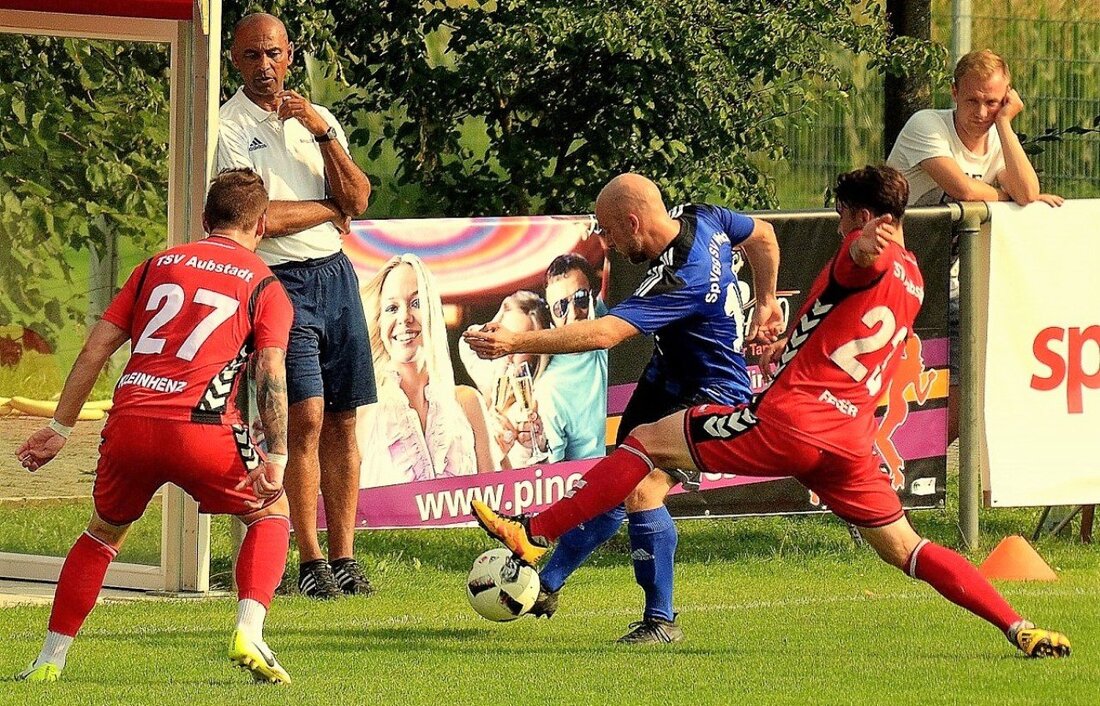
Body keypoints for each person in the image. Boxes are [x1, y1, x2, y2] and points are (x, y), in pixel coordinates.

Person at [472, 166, 1071, 659]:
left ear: (865, 219)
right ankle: (1020, 627)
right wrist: (772, 316)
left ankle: (534, 535)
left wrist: (860, 250)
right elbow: (827, 312)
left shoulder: (857, 254)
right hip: (848, 441)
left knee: (645, 452)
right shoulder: (913, 277)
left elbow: (857, 260)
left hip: (787, 420)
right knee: (906, 550)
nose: (838, 227)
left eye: (842, 217)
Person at [464, 173, 782, 643]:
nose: (606, 241)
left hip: (710, 392)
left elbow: (605, 333)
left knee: (643, 490)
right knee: (613, 487)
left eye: (609, 232)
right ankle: (546, 582)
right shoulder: (704, 217)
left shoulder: (683, 278)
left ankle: (660, 621)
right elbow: (764, 234)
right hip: (667, 378)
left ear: (634, 222)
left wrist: (514, 341)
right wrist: (768, 299)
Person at [14, 169, 298, 683]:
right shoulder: (265, 285)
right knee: (271, 513)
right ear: (261, 225)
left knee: (102, 534)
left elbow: (97, 346)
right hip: (202, 429)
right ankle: (249, 631)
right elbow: (270, 370)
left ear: (205, 218)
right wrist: (277, 456)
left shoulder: (154, 267)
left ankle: (48, 661)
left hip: (130, 424)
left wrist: (59, 427)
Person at [215, 13, 376, 599]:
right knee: (303, 418)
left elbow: (359, 196)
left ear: (290, 55)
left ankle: (345, 557)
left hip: (336, 276)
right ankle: (308, 563)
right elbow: (261, 221)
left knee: (344, 418)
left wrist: (321, 130)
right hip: (279, 281)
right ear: (236, 60)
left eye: (274, 55)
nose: (265, 67)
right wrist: (331, 211)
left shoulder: (318, 118)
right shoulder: (229, 126)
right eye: (253, 56)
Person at [886, 48, 1063, 444]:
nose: (981, 111)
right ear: (953, 93)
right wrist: (1006, 195)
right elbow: (964, 189)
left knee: (970, 375)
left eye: (993, 102)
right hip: (890, 269)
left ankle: (918, 461)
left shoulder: (997, 137)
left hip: (945, 274)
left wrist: (1006, 126)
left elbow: (1028, 190)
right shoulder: (926, 125)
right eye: (972, 100)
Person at [358, 254, 496, 486]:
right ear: (379, 321)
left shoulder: (469, 403)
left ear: (433, 311)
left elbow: (497, 504)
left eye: (416, 303)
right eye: (392, 308)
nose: (404, 317)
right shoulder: (361, 415)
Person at [460, 291, 555, 469]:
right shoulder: (492, 375)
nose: (507, 349)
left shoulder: (532, 407)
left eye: (517, 342)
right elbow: (465, 342)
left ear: (536, 354)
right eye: (503, 334)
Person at [534, 254, 610, 462]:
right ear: (551, 317)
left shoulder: (612, 329)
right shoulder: (549, 389)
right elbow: (555, 474)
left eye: (580, 299)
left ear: (593, 298)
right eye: (561, 307)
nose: (574, 313)